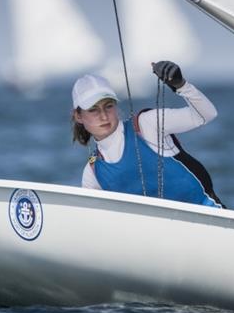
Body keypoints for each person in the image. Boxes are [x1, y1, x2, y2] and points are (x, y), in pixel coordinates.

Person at [72, 61, 224, 208]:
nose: (104, 116)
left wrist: (181, 85)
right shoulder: (92, 174)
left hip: (213, 220)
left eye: (108, 106)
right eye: (93, 109)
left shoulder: (146, 124)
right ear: (78, 116)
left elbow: (207, 114)